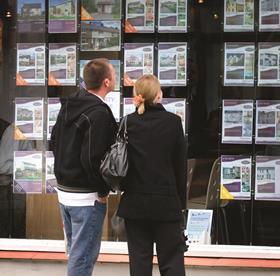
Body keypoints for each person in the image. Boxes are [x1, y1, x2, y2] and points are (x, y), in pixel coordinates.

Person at [51, 58, 118, 276]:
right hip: (86, 197)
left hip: (65, 192)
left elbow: (53, 142)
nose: (116, 77)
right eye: (114, 74)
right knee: (82, 259)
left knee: (76, 255)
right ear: (106, 82)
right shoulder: (98, 112)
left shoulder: (70, 104)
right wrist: (102, 189)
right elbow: (93, 157)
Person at [117, 74, 187, 276]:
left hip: (135, 205)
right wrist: (180, 206)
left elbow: (121, 163)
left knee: (139, 263)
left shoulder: (127, 122)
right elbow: (179, 168)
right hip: (167, 205)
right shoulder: (173, 122)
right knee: (172, 263)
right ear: (159, 94)